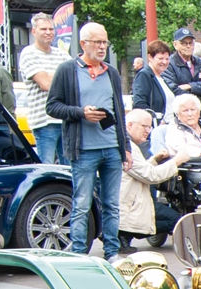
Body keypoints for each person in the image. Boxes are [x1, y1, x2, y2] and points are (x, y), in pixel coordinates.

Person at [45, 22, 128, 260]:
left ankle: (112, 252)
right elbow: (52, 106)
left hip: (111, 146)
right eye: (97, 42)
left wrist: (126, 149)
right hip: (83, 149)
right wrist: (81, 112)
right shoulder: (67, 70)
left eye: (105, 42)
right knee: (81, 203)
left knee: (112, 204)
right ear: (83, 44)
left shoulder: (111, 72)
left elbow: (119, 112)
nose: (102, 47)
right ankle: (79, 254)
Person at [121, 107, 192, 245]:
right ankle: (124, 233)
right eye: (144, 126)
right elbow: (151, 176)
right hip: (130, 206)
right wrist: (177, 160)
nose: (148, 131)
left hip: (130, 202)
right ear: (129, 125)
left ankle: (124, 235)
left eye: (149, 127)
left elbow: (140, 170)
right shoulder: (128, 146)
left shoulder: (130, 144)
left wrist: (155, 159)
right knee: (179, 220)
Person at [18, 13, 69, 163]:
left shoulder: (62, 53)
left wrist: (51, 76)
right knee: (46, 167)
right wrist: (60, 76)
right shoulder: (28, 53)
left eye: (51, 29)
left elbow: (74, 79)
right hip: (43, 120)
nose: (48, 32)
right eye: (43, 29)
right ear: (34, 31)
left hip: (65, 119)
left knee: (69, 168)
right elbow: (45, 84)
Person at [167, 27, 201, 122]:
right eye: (184, 43)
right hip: (181, 117)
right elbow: (173, 90)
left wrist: (190, 86)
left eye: (190, 43)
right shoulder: (169, 64)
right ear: (175, 45)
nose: (188, 46)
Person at [133, 40, 176, 123]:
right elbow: (139, 103)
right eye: (160, 58)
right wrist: (155, 120)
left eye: (167, 59)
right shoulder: (144, 75)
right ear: (150, 57)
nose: (164, 62)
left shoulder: (162, 78)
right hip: (157, 128)